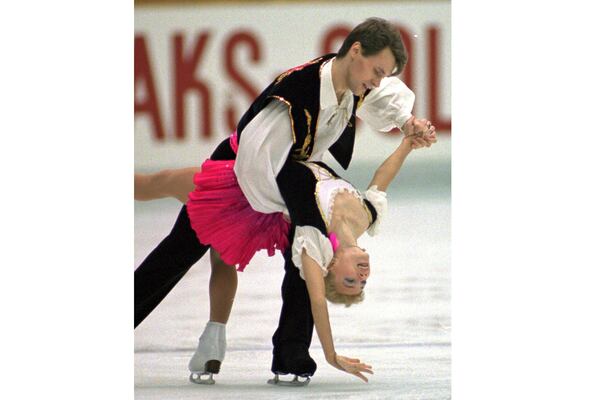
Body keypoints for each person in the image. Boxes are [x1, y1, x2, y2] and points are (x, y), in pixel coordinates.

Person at [134, 17, 437, 384]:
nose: (376, 81)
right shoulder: (294, 96)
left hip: (286, 188)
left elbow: (383, 99)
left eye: (382, 75)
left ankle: (291, 358)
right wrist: (297, 205)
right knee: (178, 251)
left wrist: (407, 124)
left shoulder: (355, 81)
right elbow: (254, 162)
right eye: (376, 71)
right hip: (238, 178)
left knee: (302, 257)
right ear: (355, 50)